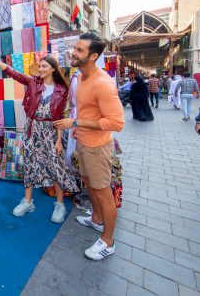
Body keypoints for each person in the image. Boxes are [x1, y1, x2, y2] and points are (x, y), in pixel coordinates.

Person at [0, 51, 78, 223]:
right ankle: (28, 201)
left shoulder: (62, 89)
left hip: (50, 131)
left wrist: (59, 140)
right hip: (32, 128)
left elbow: (60, 117)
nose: (41, 69)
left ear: (53, 68)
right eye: (40, 66)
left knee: (55, 166)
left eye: (45, 66)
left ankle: (60, 204)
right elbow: (12, 72)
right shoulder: (32, 82)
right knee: (29, 163)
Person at [53, 32, 124, 261]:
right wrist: (79, 127)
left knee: (103, 193)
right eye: (75, 48)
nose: (73, 52)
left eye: (80, 50)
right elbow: (88, 111)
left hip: (98, 147)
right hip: (83, 141)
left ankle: (108, 241)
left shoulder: (103, 83)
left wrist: (76, 122)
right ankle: (96, 219)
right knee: (90, 186)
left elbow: (117, 123)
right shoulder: (80, 78)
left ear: (93, 56)